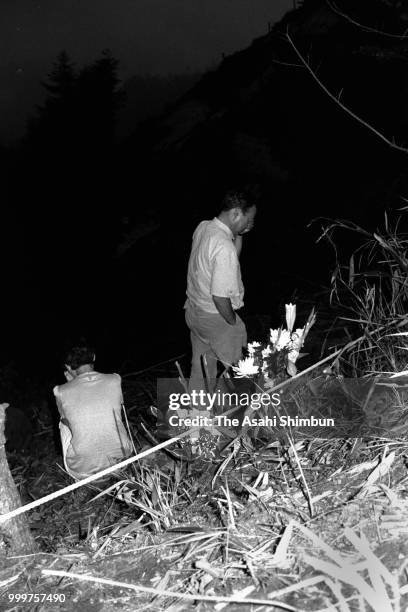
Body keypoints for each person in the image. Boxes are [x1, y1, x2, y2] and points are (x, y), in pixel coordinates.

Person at [184, 190, 257, 393]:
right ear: (235, 214)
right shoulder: (224, 247)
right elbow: (220, 296)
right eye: (249, 219)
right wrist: (232, 322)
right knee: (241, 374)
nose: (251, 224)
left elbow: (228, 262)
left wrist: (239, 234)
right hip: (217, 318)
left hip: (195, 312)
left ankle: (197, 414)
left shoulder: (204, 227)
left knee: (201, 370)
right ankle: (248, 416)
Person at [53, 342, 133, 481]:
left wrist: (70, 382)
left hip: (83, 471)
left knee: (63, 422)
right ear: (94, 358)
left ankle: (87, 464)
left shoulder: (60, 391)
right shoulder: (115, 379)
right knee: (111, 413)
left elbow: (66, 418)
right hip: (123, 459)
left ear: (67, 366)